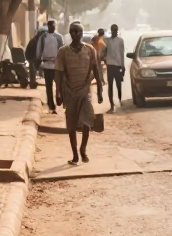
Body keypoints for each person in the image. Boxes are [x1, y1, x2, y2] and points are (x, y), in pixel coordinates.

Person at [54, 20, 103, 165]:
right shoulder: (63, 51)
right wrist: (58, 93)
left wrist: (100, 90)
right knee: (71, 124)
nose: (76, 34)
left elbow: (96, 70)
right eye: (73, 31)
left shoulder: (90, 50)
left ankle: (83, 148)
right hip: (69, 91)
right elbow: (59, 74)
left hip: (85, 89)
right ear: (70, 33)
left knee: (87, 120)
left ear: (82, 33)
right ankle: (75, 155)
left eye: (78, 31)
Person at [36, 20, 64, 112]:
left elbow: (62, 51)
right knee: (48, 86)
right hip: (47, 65)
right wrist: (39, 60)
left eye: (54, 26)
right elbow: (39, 49)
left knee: (59, 84)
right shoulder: (43, 37)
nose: (53, 27)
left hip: (57, 65)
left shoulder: (59, 37)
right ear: (48, 26)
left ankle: (59, 99)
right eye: (51, 26)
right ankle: (51, 104)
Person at [102, 23, 126, 112]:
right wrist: (104, 59)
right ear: (111, 30)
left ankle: (120, 100)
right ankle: (111, 105)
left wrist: (123, 66)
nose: (114, 32)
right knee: (110, 86)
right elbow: (103, 51)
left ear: (117, 31)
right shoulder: (107, 40)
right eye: (112, 30)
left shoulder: (120, 41)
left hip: (118, 65)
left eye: (115, 30)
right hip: (110, 65)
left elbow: (122, 53)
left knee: (119, 85)